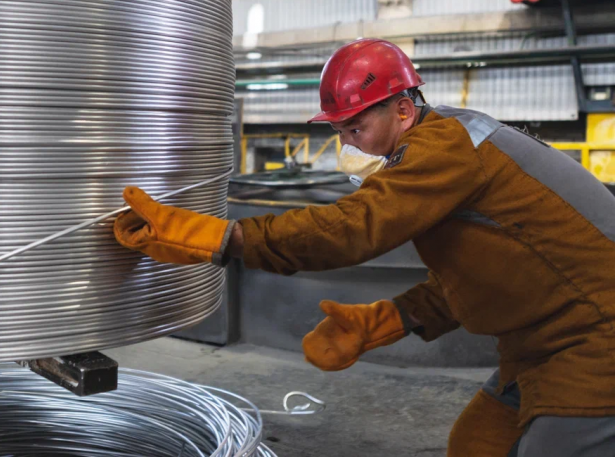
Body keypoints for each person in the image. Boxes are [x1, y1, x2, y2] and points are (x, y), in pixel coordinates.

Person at [113, 38, 615, 457]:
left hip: (593, 340)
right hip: (536, 344)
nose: (349, 144)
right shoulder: (442, 142)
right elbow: (493, 270)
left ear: (403, 109)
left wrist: (223, 238)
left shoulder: (444, 148)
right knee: (476, 444)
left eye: (355, 128)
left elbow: (352, 229)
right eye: (339, 131)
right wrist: (388, 320)